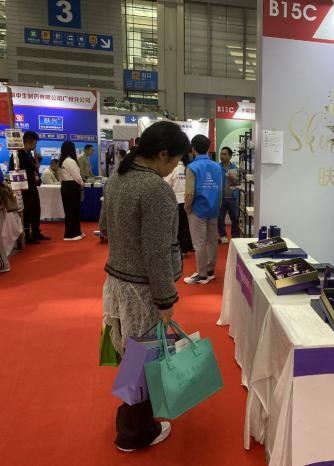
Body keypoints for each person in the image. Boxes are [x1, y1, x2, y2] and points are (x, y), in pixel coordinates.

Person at [99, 121, 190, 452]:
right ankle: (135, 431)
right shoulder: (155, 189)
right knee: (144, 359)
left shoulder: (117, 178)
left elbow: (104, 227)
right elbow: (157, 252)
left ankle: (132, 423)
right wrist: (166, 300)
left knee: (132, 356)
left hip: (117, 282)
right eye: (175, 160)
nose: (175, 167)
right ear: (163, 154)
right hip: (142, 289)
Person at [183, 135, 223, 285]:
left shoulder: (192, 167)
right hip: (213, 208)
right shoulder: (217, 166)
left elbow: (189, 193)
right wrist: (217, 206)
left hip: (197, 209)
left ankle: (201, 274)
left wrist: (187, 208)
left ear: (193, 148)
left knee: (199, 243)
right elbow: (219, 189)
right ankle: (210, 271)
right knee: (212, 241)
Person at [8, 130, 49, 243]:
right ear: (29, 142)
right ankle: (27, 235)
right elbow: (14, 170)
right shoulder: (18, 155)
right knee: (27, 211)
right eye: (34, 143)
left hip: (32, 186)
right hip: (24, 188)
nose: (35, 146)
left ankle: (36, 231)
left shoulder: (29, 154)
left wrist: (36, 165)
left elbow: (33, 169)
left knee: (36, 210)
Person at [164, 153, 193, 254]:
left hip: (176, 201)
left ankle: (178, 248)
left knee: (176, 226)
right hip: (188, 200)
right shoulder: (189, 168)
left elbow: (166, 184)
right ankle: (186, 248)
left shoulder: (173, 169)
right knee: (186, 226)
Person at [58, 141, 85, 240]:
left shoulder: (62, 161)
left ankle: (76, 232)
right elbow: (77, 176)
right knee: (73, 210)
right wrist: (82, 184)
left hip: (65, 186)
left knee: (70, 210)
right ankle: (70, 234)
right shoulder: (70, 161)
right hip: (72, 187)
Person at [217, 146, 240, 243]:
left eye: (224, 154)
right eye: (221, 154)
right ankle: (223, 236)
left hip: (232, 197)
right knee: (220, 218)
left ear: (230, 156)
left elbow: (238, 184)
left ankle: (235, 236)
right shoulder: (217, 167)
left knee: (235, 218)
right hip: (220, 198)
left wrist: (234, 180)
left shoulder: (235, 168)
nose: (222, 156)